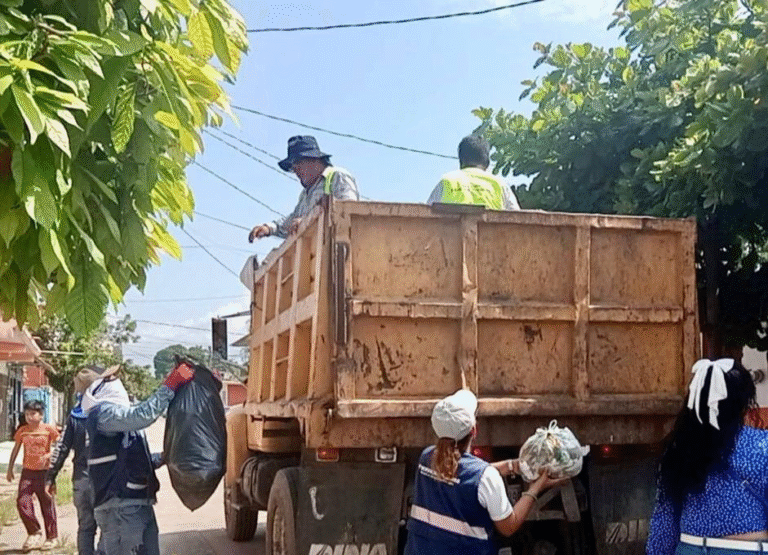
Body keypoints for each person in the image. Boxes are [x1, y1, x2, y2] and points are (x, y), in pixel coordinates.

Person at [404, 389, 566, 555]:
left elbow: (465, 474)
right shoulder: (485, 477)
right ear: (474, 431)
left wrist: (512, 466)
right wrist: (536, 488)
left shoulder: (426, 458)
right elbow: (509, 526)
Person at [647, 358, 768, 555]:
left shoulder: (679, 451)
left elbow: (664, 524)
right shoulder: (761, 447)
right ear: (743, 401)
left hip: (689, 548)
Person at [81, 362, 195, 555]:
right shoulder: (104, 414)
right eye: (110, 378)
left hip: (135, 505)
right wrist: (170, 385)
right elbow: (142, 415)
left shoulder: (116, 417)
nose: (118, 381)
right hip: (120, 509)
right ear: (97, 388)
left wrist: (164, 458)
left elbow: (128, 462)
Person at [248, 135, 359, 242]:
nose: (295, 169)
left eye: (297, 162)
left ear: (315, 159)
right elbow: (292, 222)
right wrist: (270, 228)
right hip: (316, 253)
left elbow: (348, 212)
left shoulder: (338, 176)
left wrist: (308, 221)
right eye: (292, 166)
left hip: (336, 250)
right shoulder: (305, 194)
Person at [46, 367, 105, 555]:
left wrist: (50, 477)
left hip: (82, 480)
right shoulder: (109, 413)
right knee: (108, 527)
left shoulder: (75, 416)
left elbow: (61, 447)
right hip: (106, 481)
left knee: (86, 527)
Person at [6, 400, 60, 552]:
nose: (29, 417)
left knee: (47, 504)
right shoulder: (23, 431)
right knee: (22, 501)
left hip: (45, 473)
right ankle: (34, 532)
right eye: (27, 414)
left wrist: (49, 455)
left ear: (41, 415)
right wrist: (10, 469)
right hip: (27, 472)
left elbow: (60, 448)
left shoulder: (49, 430)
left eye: (33, 413)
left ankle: (52, 537)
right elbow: (15, 449)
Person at [427, 134, 520, 210]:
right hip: (494, 233)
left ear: (461, 161)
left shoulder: (446, 181)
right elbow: (516, 219)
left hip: (451, 233)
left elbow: (426, 215)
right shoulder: (500, 185)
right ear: (487, 163)